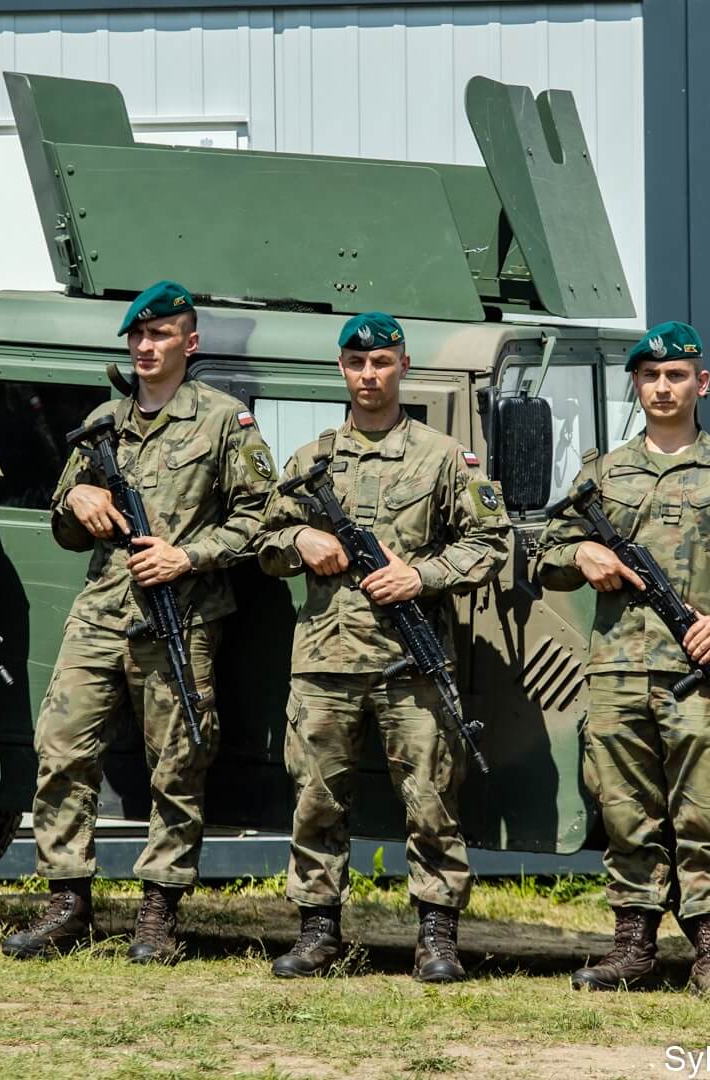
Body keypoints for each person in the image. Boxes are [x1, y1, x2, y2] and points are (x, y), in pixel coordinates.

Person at [1, 281, 273, 962]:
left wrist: (188, 555)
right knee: (61, 748)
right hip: (101, 611)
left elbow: (261, 519)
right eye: (138, 336)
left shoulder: (224, 422)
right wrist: (78, 499)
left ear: (190, 342)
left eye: (160, 335)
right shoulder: (103, 421)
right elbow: (66, 523)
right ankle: (67, 901)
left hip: (181, 617)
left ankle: (159, 911)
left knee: (177, 763)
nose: (146, 347)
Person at [533, 320, 710, 998]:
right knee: (624, 813)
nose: (661, 387)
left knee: (706, 814)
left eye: (675, 375)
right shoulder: (603, 473)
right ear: (636, 385)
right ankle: (633, 951)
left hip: (699, 675)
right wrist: (581, 553)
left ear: (700, 384)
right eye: (649, 376)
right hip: (617, 670)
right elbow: (544, 551)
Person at [256, 311, 509, 983]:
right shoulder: (310, 460)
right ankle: (317, 931)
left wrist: (420, 576)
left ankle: (436, 937)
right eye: (356, 363)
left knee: (432, 801)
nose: (368, 374)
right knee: (316, 800)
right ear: (342, 368)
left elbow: (491, 542)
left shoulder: (443, 457)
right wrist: (301, 540)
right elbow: (265, 540)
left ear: (403, 366)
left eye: (381, 362)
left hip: (412, 662)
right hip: (327, 659)